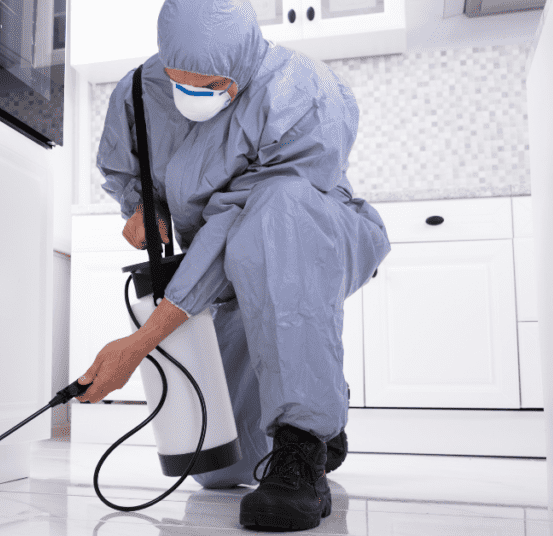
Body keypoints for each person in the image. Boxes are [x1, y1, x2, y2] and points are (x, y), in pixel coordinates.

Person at [72, 0, 392, 531]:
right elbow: (128, 172)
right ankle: (318, 404)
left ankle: (304, 442)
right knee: (222, 470)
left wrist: (142, 341)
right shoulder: (137, 92)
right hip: (226, 270)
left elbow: (236, 225)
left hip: (311, 236)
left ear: (245, 60)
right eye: (181, 81)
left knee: (276, 214)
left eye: (213, 84)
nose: (194, 95)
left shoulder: (304, 90)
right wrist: (143, 208)